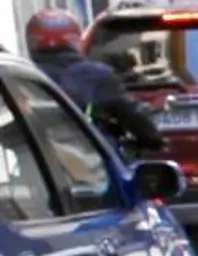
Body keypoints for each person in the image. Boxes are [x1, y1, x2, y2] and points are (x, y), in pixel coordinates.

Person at [25, 9, 165, 155]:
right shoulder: (97, 75)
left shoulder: (23, 74)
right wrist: (154, 139)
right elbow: (132, 117)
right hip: (91, 165)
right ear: (74, 39)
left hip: (35, 165)